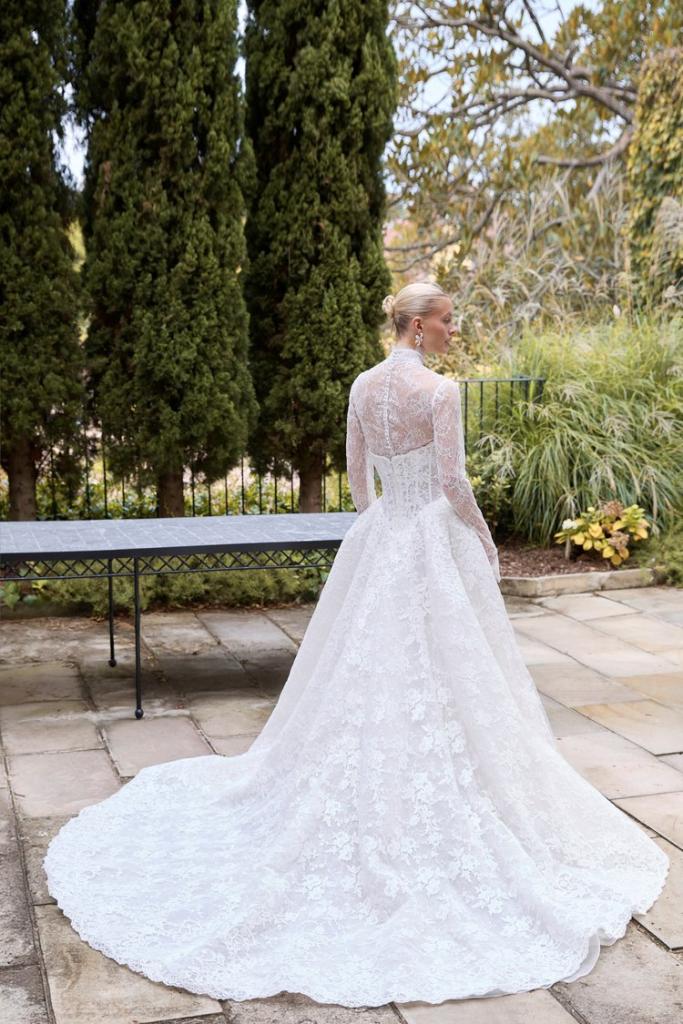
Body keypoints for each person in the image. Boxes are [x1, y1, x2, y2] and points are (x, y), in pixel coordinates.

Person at [43, 282, 669, 1008]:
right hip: (429, 539)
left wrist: (381, 532)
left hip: (383, 539)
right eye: (446, 319)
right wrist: (480, 536)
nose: (453, 329)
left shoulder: (363, 385)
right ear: (417, 324)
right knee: (446, 669)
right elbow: (453, 481)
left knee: (368, 669)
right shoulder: (440, 393)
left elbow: (357, 474)